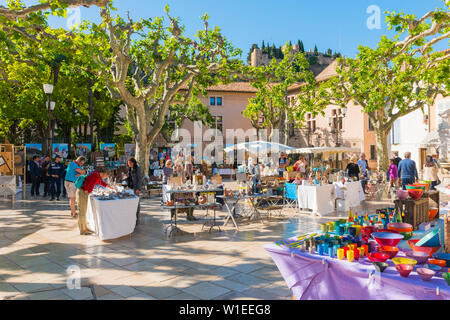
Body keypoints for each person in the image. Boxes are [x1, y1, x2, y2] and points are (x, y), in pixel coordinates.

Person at [77, 168, 110, 235]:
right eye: (107, 175)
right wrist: (86, 191)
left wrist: (108, 186)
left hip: (84, 192)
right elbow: (87, 182)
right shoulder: (95, 174)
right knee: (82, 212)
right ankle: (82, 230)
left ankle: (85, 227)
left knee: (84, 211)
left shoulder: (97, 175)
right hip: (82, 192)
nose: (106, 177)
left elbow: (101, 182)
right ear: (104, 173)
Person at [127, 158, 143, 223]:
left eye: (130, 163)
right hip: (131, 187)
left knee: (136, 202)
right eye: (128, 163)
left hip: (136, 187)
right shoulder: (130, 168)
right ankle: (133, 216)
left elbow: (140, 179)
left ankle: (137, 217)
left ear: (133, 163)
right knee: (131, 202)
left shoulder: (137, 168)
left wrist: (138, 188)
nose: (129, 164)